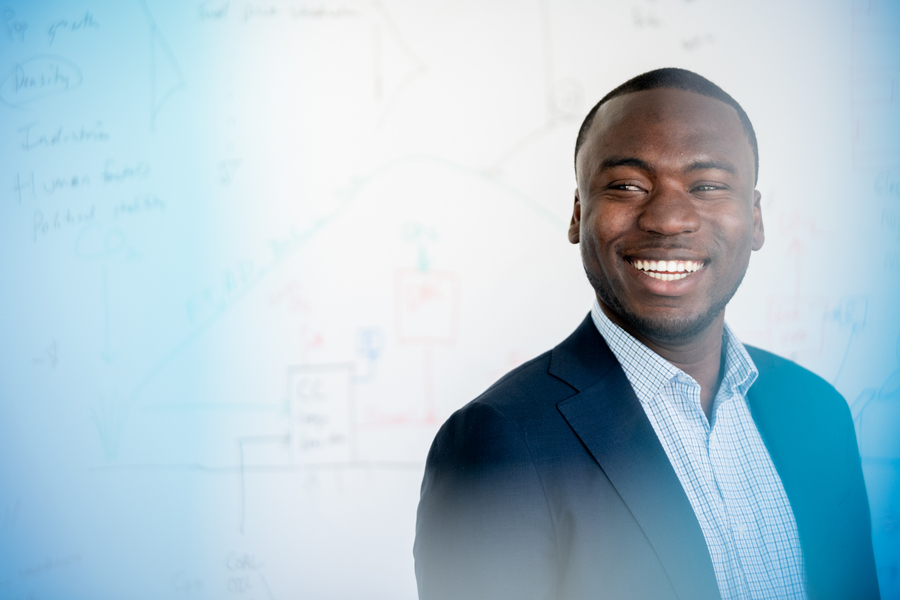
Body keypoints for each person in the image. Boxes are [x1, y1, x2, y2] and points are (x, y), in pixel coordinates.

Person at [413, 68, 880, 600]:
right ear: (577, 214)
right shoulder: (498, 441)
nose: (668, 218)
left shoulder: (817, 411)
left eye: (707, 186)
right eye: (627, 186)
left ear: (754, 218)